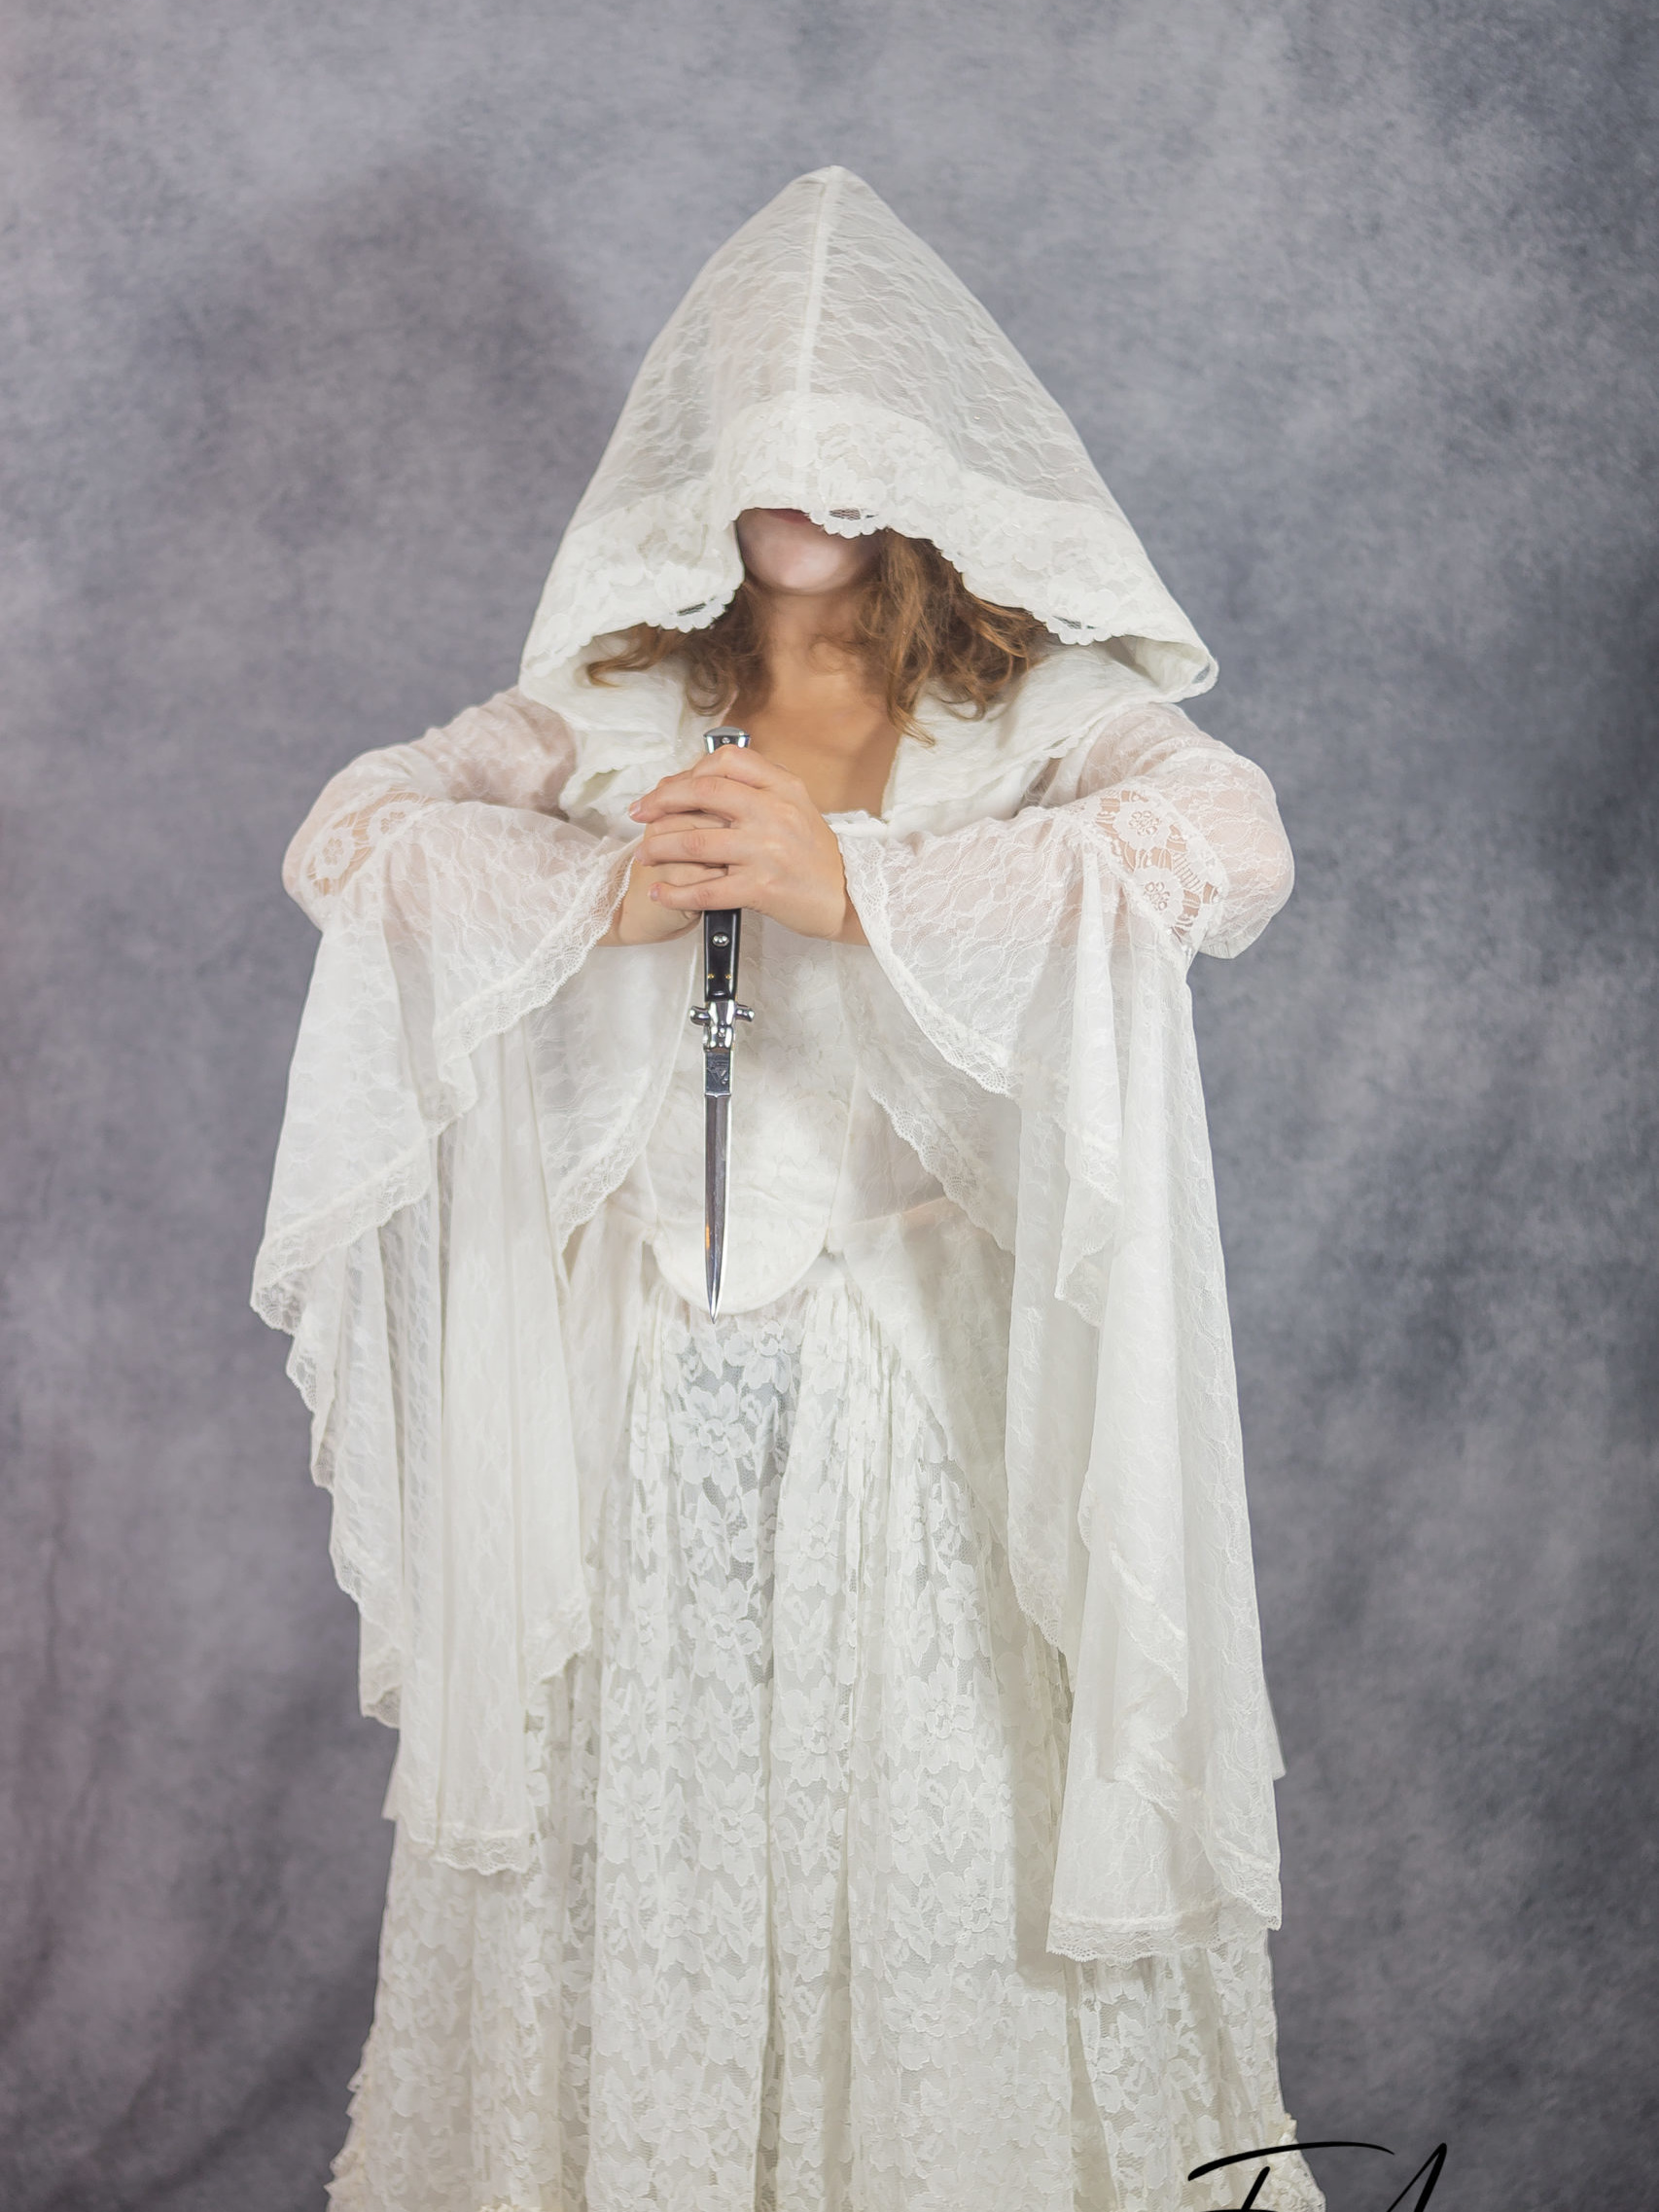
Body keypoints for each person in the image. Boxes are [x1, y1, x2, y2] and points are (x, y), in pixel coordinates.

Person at [255, 167, 1324, 2212]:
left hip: (918, 1413)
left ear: (928, 454)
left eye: (849, 428)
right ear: (694, 449)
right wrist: (596, 896)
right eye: (762, 423)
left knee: (933, 1842)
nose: (802, 471)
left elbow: (1224, 845)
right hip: (632, 1415)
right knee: (633, 1853)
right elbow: (354, 837)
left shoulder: (1023, 710)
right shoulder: (615, 705)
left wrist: (866, 886)